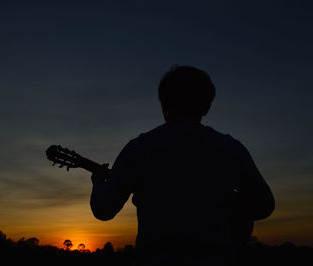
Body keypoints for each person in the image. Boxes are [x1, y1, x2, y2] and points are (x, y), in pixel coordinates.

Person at [90, 65, 275, 265]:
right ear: (207, 106)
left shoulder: (139, 148)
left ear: (163, 103)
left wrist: (99, 181)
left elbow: (104, 209)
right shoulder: (231, 148)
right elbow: (264, 205)